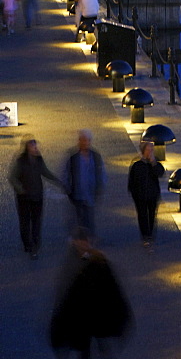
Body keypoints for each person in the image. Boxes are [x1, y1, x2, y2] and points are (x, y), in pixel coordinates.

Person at [50, 227, 134, 358]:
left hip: (93, 314)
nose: (82, 245)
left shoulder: (94, 261)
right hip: (85, 316)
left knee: (92, 345)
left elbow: (112, 289)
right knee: (89, 347)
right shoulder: (90, 261)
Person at [8, 137, 63, 258]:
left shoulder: (38, 159)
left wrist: (57, 181)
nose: (36, 148)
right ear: (27, 148)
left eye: (36, 146)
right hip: (24, 198)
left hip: (37, 196)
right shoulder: (20, 161)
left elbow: (45, 172)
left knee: (36, 221)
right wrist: (20, 189)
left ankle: (35, 242)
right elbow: (12, 177)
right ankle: (28, 244)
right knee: (25, 222)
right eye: (33, 146)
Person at [62, 131, 106, 237]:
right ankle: (80, 240)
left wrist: (100, 187)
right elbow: (66, 173)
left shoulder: (95, 156)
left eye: (87, 140)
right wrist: (68, 189)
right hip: (77, 194)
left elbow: (101, 172)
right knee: (78, 218)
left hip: (90, 193)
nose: (85, 143)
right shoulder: (73, 156)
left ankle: (89, 239)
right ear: (79, 141)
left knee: (89, 218)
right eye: (83, 140)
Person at [128, 140, 164, 247]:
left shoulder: (155, 163)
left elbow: (160, 173)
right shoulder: (137, 164)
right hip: (140, 195)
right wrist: (134, 193)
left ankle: (150, 234)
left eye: (152, 150)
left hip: (152, 194)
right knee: (142, 215)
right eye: (148, 150)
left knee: (152, 215)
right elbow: (132, 181)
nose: (150, 152)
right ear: (144, 150)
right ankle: (145, 235)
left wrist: (153, 163)